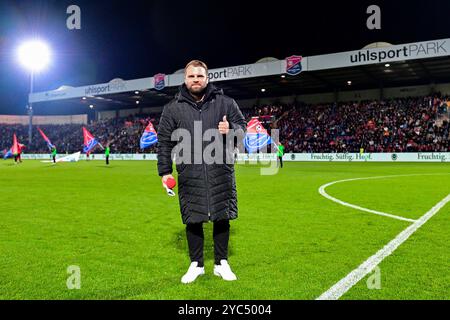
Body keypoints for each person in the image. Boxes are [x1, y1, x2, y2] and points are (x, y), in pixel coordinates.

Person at [157, 60, 246, 284]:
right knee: (193, 218)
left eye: (199, 76)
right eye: (191, 76)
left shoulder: (226, 103)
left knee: (222, 216)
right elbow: (164, 143)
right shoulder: (172, 108)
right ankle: (196, 264)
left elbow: (243, 130)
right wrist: (165, 172)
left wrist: (231, 129)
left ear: (207, 78)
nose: (195, 79)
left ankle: (221, 263)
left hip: (220, 169)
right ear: (185, 79)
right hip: (189, 171)